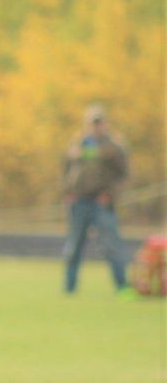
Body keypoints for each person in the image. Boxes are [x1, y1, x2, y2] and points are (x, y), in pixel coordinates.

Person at [63, 104, 130, 295]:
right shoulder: (77, 145)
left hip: (102, 202)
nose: (96, 127)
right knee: (74, 246)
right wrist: (69, 192)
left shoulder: (114, 148)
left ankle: (122, 286)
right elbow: (66, 171)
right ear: (87, 125)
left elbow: (123, 175)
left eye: (99, 123)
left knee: (111, 245)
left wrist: (109, 195)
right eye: (93, 123)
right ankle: (69, 288)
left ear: (105, 124)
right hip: (79, 202)